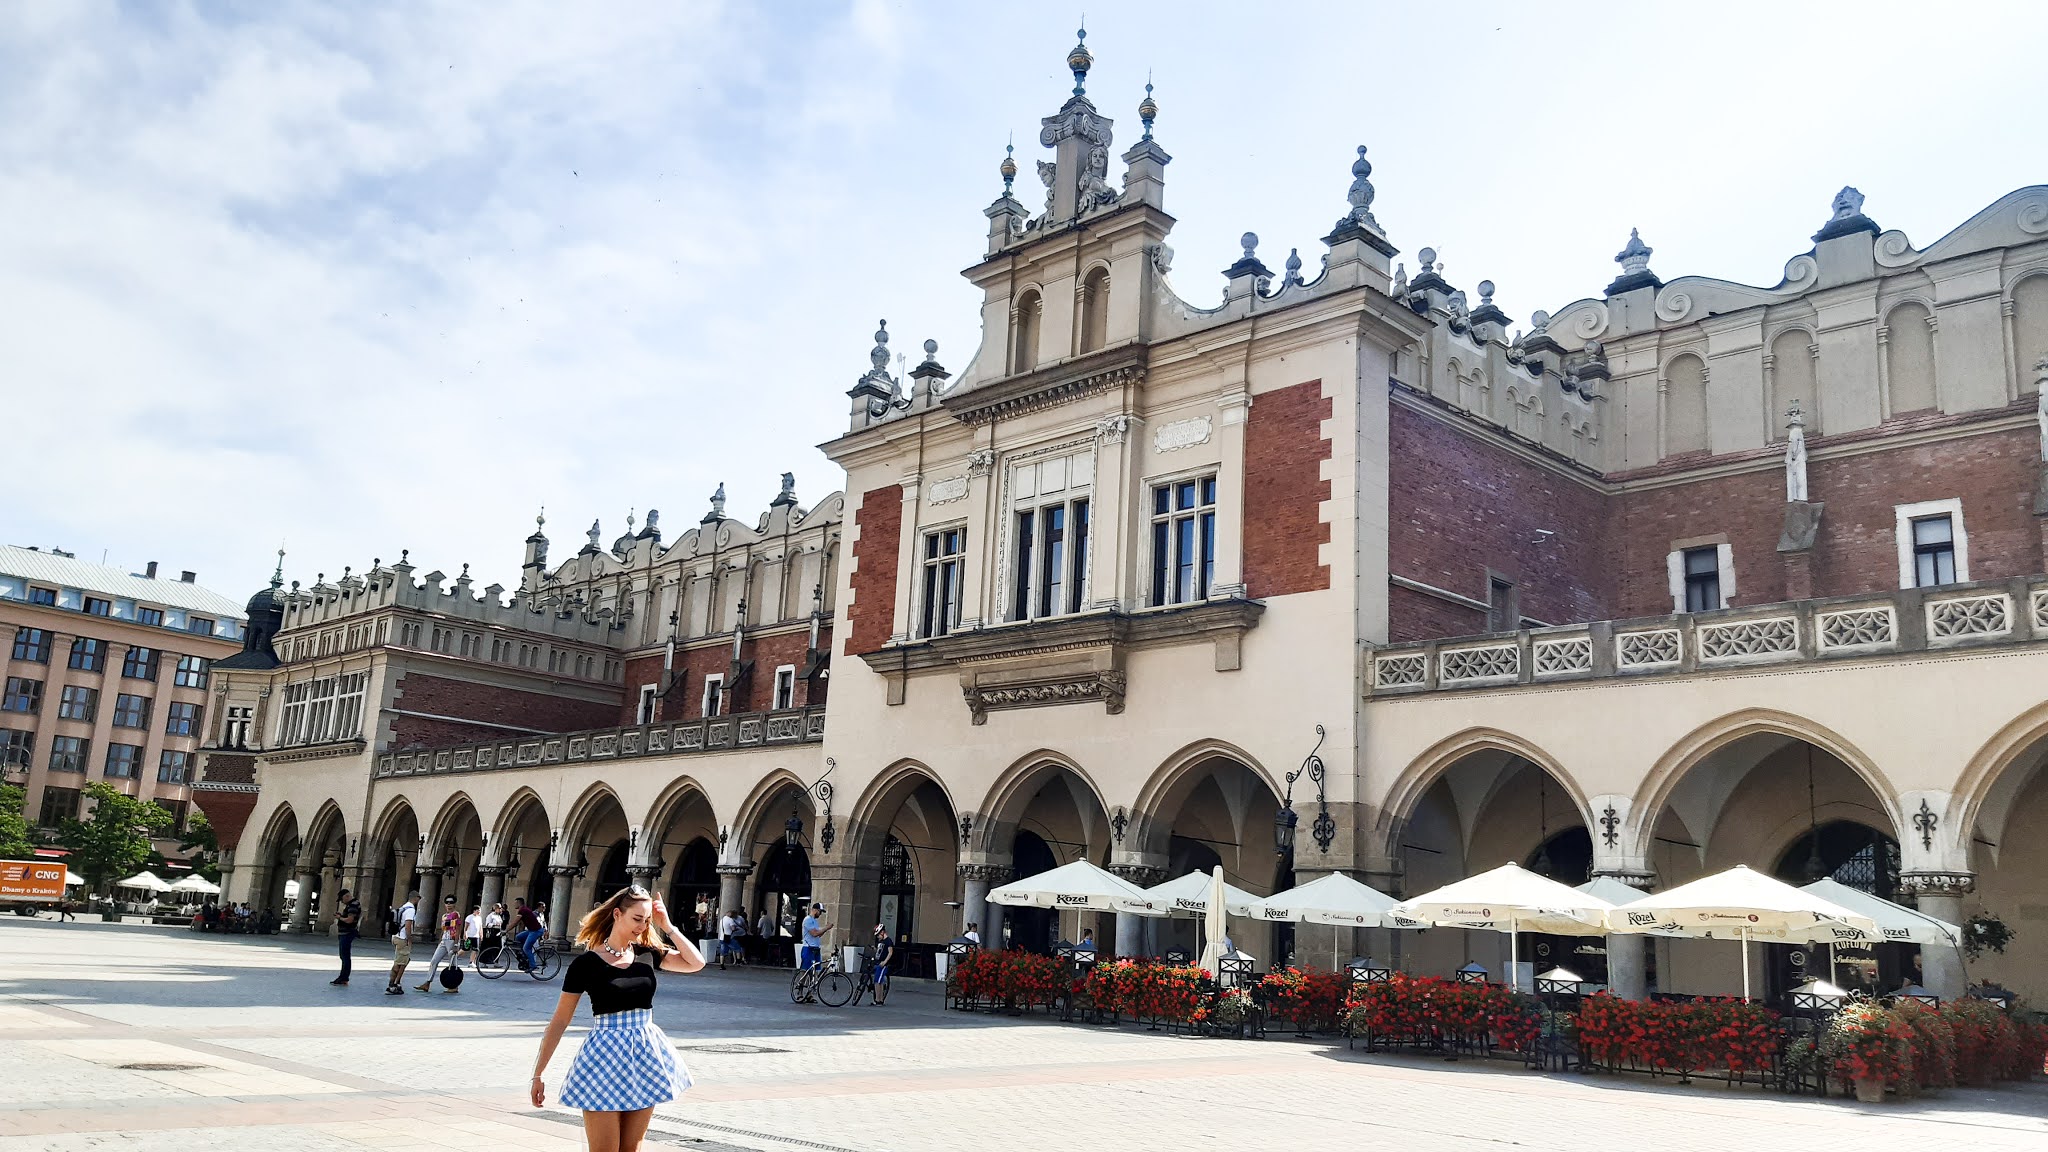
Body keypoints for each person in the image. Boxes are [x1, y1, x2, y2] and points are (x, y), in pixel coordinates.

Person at [531, 886, 705, 1152]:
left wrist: (668, 927)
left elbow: (696, 963)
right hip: (603, 1056)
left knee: (630, 1149)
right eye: (637, 918)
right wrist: (538, 1074)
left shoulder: (648, 953)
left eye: (647, 920)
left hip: (645, 1055)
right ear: (617, 914)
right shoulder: (586, 964)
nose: (642, 926)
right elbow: (559, 1021)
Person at [417, 895, 464, 993]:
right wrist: (440, 941)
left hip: (452, 940)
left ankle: (454, 986)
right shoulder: (444, 916)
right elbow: (443, 930)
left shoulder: (456, 914)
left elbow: (458, 929)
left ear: (454, 904)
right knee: (434, 960)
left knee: (453, 964)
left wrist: (456, 944)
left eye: (451, 902)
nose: (449, 904)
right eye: (447, 902)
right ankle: (427, 982)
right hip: (444, 940)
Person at [387, 890, 418, 995]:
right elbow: (408, 924)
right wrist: (409, 939)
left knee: (402, 961)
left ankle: (396, 983)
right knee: (400, 963)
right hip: (403, 938)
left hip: (396, 936)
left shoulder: (403, 907)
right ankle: (393, 985)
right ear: (415, 898)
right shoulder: (410, 910)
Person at [331, 889, 362, 986]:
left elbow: (349, 920)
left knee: (345, 956)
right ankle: (343, 977)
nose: (342, 901)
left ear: (347, 896)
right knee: (344, 956)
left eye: (342, 899)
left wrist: (339, 918)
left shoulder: (353, 905)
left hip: (347, 933)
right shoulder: (353, 904)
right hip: (346, 932)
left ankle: (344, 978)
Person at [514, 897, 545, 972]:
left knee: (526, 948)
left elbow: (515, 923)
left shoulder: (522, 910)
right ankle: (524, 956)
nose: (514, 904)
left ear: (519, 903)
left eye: (515, 903)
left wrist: (506, 930)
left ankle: (532, 965)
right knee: (518, 937)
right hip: (531, 930)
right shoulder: (524, 909)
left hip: (536, 931)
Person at [800, 902, 831, 970]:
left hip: (815, 947)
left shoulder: (815, 921)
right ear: (815, 910)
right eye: (820, 912)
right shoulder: (808, 919)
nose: (820, 914)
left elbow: (818, 934)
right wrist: (826, 928)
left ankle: (814, 980)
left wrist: (825, 929)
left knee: (816, 969)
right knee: (805, 969)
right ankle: (802, 980)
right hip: (808, 947)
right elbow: (814, 933)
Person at [870, 923, 895, 996]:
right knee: (878, 981)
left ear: (882, 932)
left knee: (878, 981)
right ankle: (878, 999)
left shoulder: (888, 941)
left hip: (883, 964)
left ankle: (879, 999)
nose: (878, 937)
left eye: (878, 935)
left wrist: (885, 962)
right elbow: (879, 951)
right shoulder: (881, 942)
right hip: (878, 962)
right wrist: (874, 949)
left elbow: (890, 953)